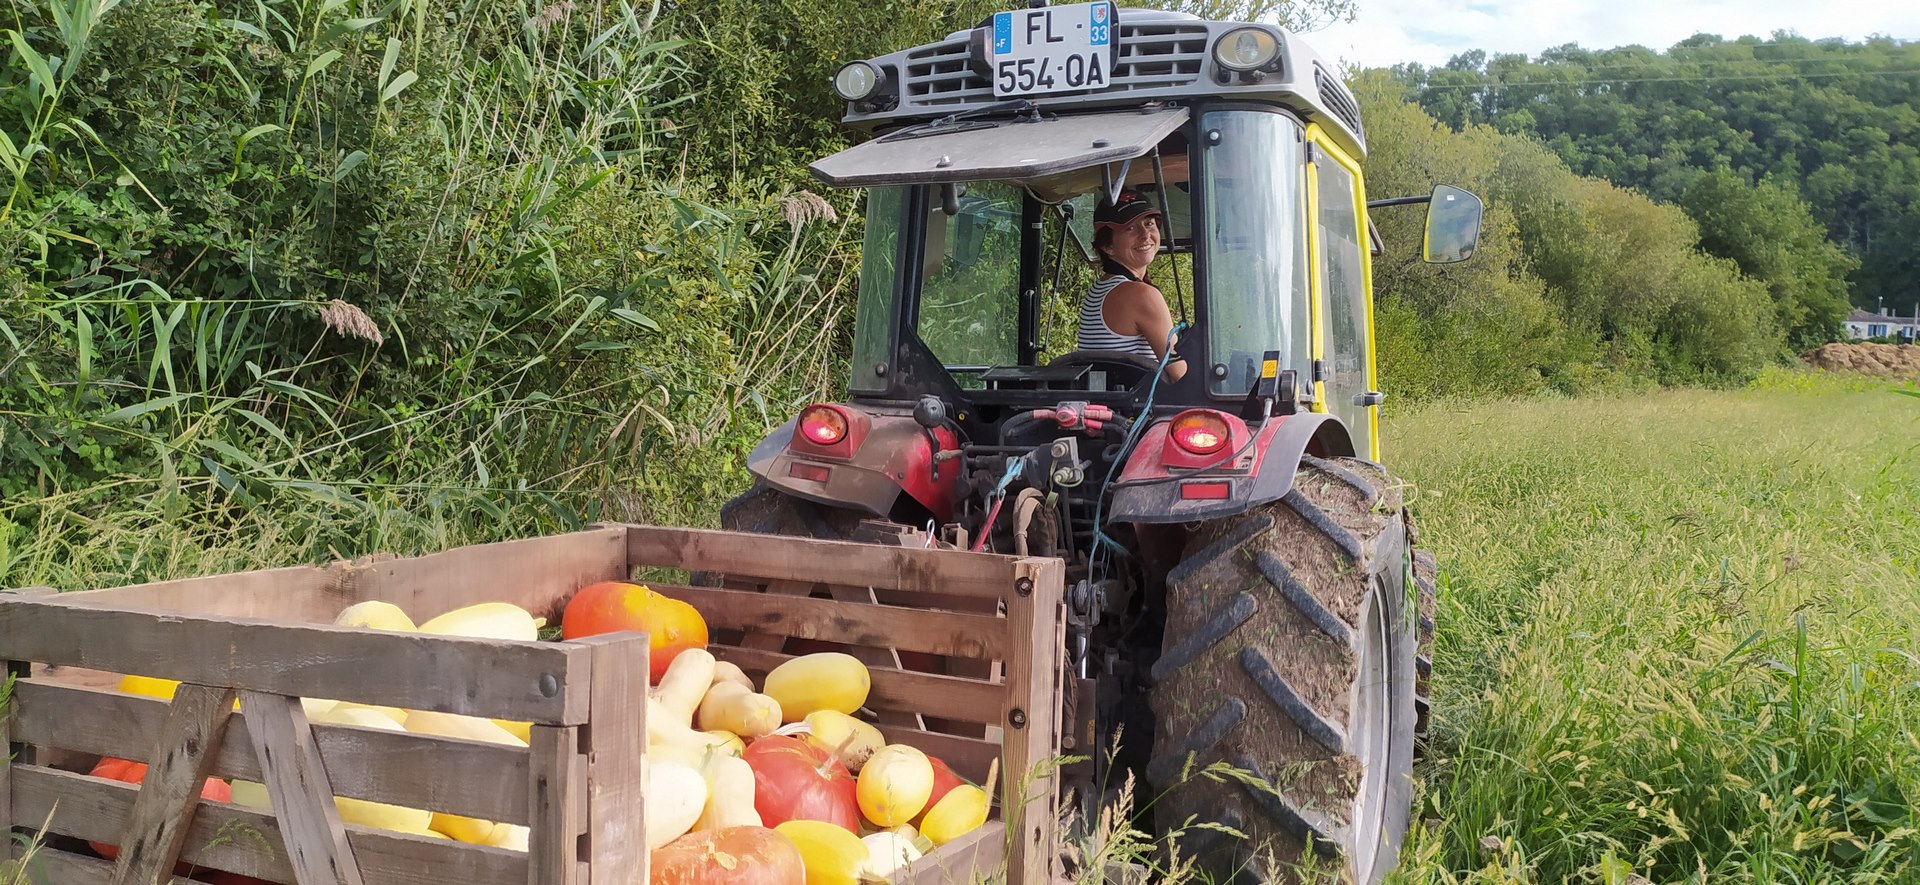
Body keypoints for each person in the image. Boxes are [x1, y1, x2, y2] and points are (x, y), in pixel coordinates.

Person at [1078, 191, 1186, 380]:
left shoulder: (1100, 289)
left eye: (1149, 224)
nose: (1145, 235)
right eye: (1130, 228)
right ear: (1107, 246)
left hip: (1111, 402)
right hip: (1137, 406)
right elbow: (1181, 375)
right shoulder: (1140, 294)